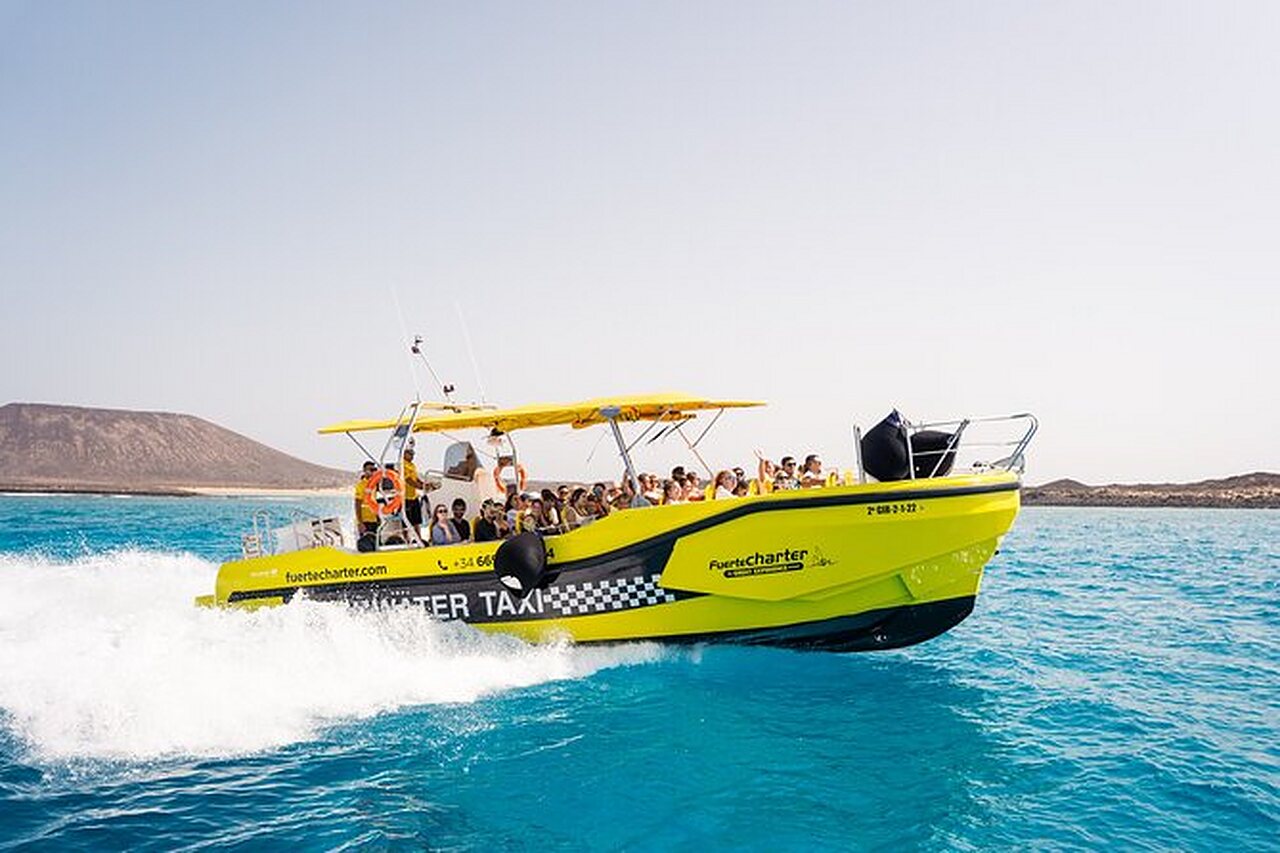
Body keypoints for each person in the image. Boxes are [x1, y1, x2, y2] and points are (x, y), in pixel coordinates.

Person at [402, 448, 425, 541]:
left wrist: (423, 484)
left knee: (417, 520)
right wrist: (419, 486)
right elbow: (408, 480)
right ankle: (406, 539)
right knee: (406, 520)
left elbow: (415, 478)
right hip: (405, 497)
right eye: (409, 453)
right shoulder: (402, 465)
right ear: (404, 454)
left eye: (412, 454)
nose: (412, 456)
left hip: (414, 496)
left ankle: (419, 538)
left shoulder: (412, 465)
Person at [354, 461, 379, 535]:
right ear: (365, 471)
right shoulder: (361, 485)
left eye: (374, 470)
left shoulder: (373, 484)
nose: (373, 472)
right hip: (365, 520)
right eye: (370, 470)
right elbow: (357, 504)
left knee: (375, 542)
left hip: (373, 519)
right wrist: (360, 523)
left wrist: (378, 517)